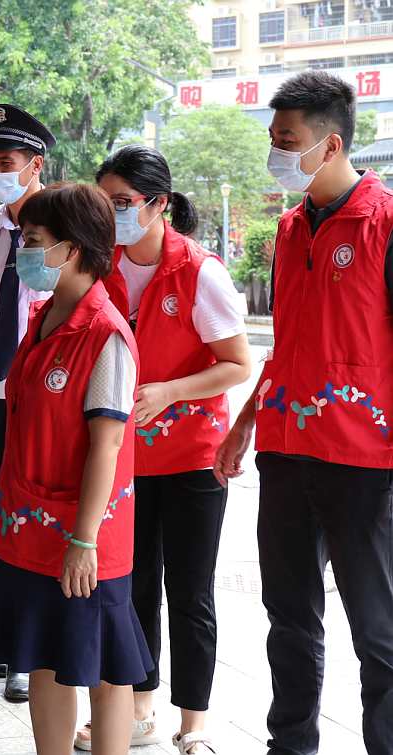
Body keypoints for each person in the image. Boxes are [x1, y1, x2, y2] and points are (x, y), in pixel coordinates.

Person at [215, 70, 393, 755]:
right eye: (272, 138)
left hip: (363, 460)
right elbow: (285, 342)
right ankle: (289, 745)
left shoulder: (381, 222)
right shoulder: (290, 229)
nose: (275, 151)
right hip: (286, 453)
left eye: (285, 140)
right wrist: (244, 422)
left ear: (330, 144)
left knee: (377, 629)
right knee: (287, 617)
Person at [0, 182, 152, 755]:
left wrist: (84, 538)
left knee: (102, 667)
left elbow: (107, 447)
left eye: (34, 241)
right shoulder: (43, 318)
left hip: (82, 534)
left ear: (71, 251)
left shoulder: (104, 335)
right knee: (40, 655)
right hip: (28, 528)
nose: (22, 250)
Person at [75, 146, 251, 755]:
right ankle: (140, 706)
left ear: (159, 204)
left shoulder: (200, 272)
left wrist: (172, 390)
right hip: (125, 459)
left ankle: (194, 723)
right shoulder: (103, 266)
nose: (113, 214)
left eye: (122, 203)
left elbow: (237, 364)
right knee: (132, 584)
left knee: (191, 591)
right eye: (105, 203)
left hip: (193, 459)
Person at [0, 104, 57, 702]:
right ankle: (9, 643)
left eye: (8, 162)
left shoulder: (62, 222)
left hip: (48, 398)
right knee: (4, 514)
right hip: (0, 394)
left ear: (35, 165)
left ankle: (31, 650)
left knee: (35, 514)